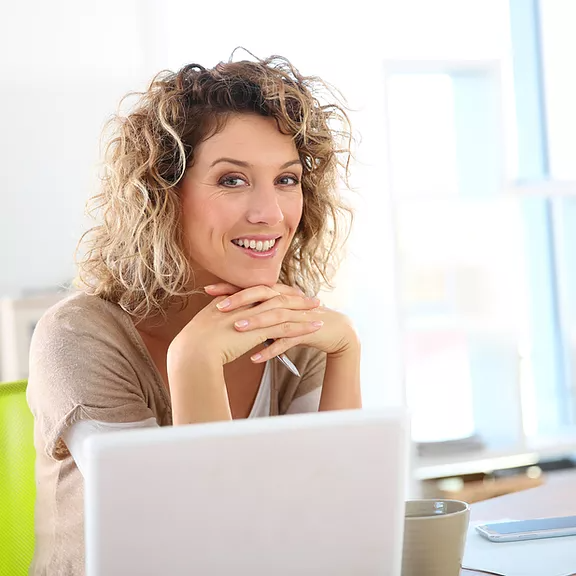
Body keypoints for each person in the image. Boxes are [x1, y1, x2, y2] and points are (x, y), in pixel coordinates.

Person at [26, 52, 361, 575]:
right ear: (163, 193)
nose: (270, 213)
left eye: (287, 180)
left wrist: (346, 353)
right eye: (232, 180)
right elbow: (199, 553)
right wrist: (194, 362)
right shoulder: (79, 336)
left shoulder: (293, 333)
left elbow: (335, 533)